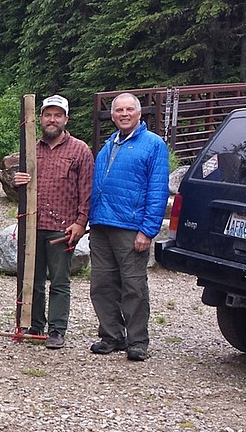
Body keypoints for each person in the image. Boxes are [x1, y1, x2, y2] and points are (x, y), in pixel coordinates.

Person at [88, 93, 170, 361]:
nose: (124, 114)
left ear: (139, 113)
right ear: (112, 116)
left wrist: (148, 230)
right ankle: (111, 335)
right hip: (101, 224)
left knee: (133, 286)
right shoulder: (109, 145)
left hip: (130, 227)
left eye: (129, 109)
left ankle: (137, 341)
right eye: (119, 110)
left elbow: (157, 190)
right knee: (102, 284)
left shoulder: (153, 145)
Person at [11, 95, 94, 349]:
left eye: (58, 115)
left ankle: (57, 329)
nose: (52, 119)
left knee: (59, 281)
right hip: (34, 226)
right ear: (40, 118)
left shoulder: (80, 150)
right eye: (48, 114)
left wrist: (81, 223)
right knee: (32, 279)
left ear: (66, 119)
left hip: (63, 228)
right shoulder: (31, 150)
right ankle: (35, 324)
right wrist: (17, 183)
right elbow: (22, 189)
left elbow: (87, 190)